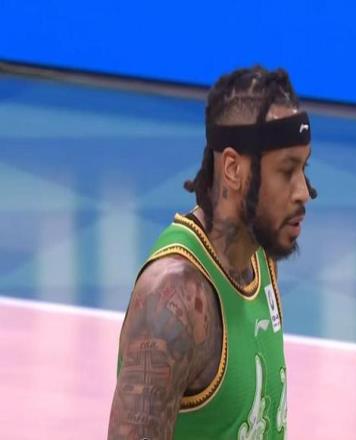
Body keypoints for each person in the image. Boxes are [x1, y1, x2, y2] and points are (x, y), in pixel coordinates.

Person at [107, 65, 317, 440]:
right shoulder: (174, 299)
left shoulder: (259, 257)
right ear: (233, 169)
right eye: (286, 172)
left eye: (304, 168)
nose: (303, 191)